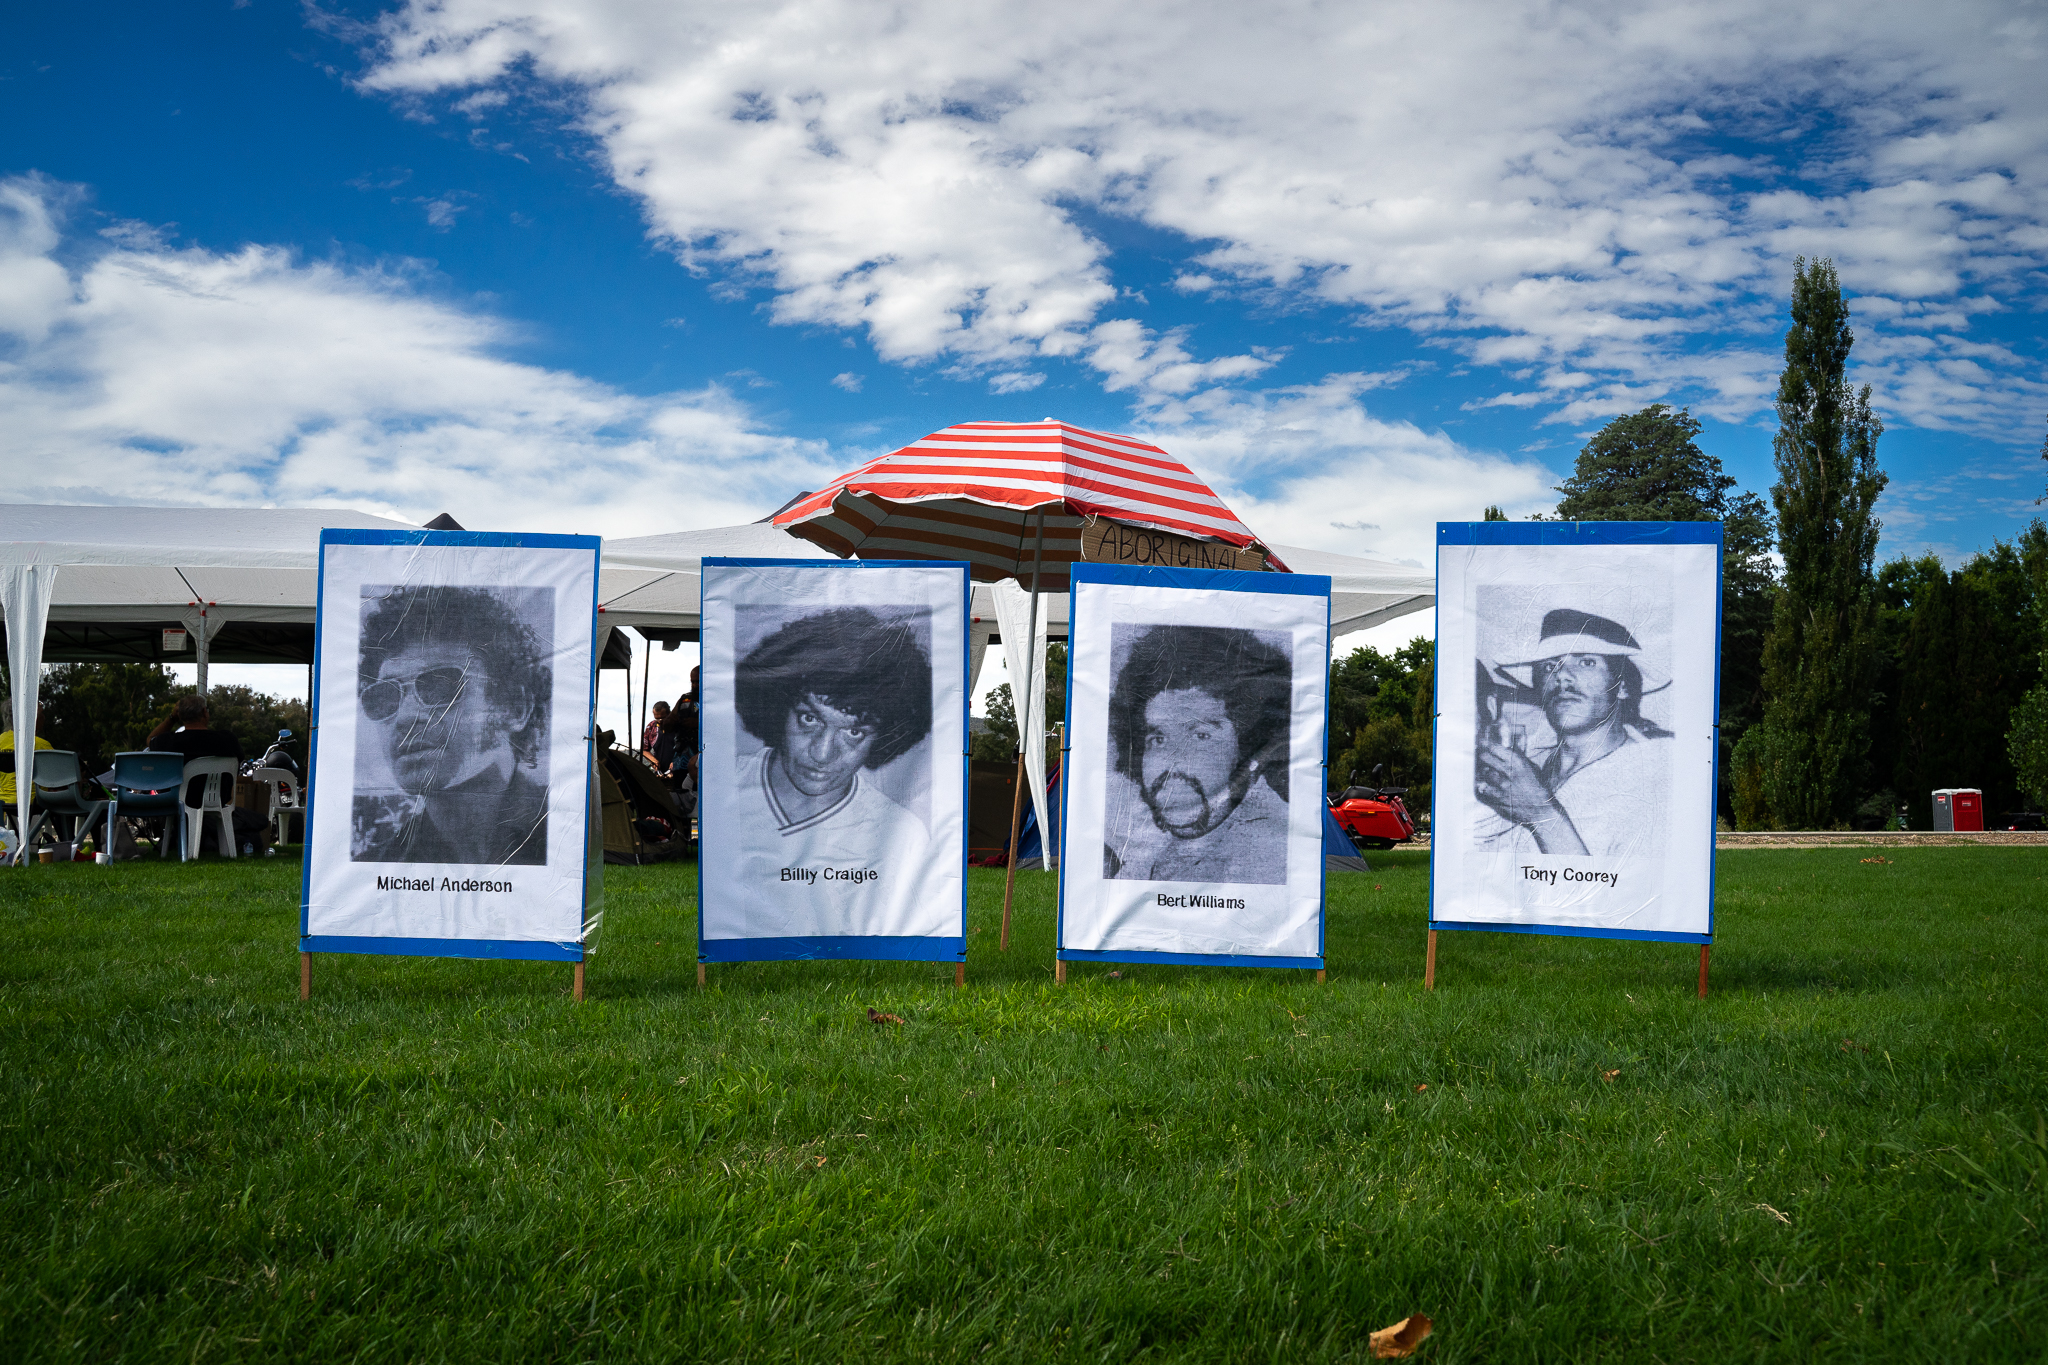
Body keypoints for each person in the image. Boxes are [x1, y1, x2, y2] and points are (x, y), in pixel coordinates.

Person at [350, 585, 551, 866]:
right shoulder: (380, 864)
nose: (405, 717)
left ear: (514, 708)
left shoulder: (563, 835)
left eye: (439, 687)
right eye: (383, 698)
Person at [1473, 608, 1673, 856]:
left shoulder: (1655, 774)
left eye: (1586, 662)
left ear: (1622, 687)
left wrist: (1540, 812)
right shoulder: (1526, 767)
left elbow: (1626, 887)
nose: (1562, 676)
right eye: (1548, 666)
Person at [729, 610, 930, 857]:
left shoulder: (901, 835)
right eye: (809, 719)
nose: (822, 754)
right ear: (778, 709)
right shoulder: (724, 790)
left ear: (883, 738)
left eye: (854, 732)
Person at [1103, 625, 1293, 885]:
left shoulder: (1274, 857)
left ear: (1249, 750)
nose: (1172, 762)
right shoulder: (1153, 854)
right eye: (1158, 740)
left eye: (1200, 736)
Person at [145, 695, 268, 854]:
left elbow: (150, 740)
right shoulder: (227, 740)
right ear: (205, 713)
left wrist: (171, 718)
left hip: (179, 802)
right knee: (253, 819)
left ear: (180, 716)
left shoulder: (169, 742)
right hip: (218, 801)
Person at [0, 705, 54, 832]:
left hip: (2, 802)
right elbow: (56, 780)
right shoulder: (41, 745)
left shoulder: (1, 741)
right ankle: (69, 844)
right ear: (29, 717)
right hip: (33, 802)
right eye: (41, 714)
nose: (44, 718)